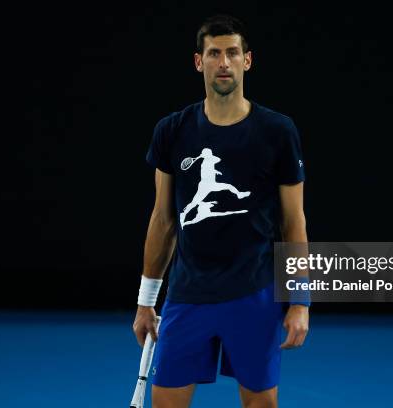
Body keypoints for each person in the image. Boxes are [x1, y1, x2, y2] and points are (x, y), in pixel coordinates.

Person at [133, 14, 309, 408]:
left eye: (233, 53)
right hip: (187, 295)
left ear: (248, 60)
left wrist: (300, 300)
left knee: (261, 405)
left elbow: (292, 221)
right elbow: (163, 221)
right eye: (215, 53)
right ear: (200, 62)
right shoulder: (172, 130)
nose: (224, 62)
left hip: (255, 295)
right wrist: (147, 301)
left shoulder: (278, 131)